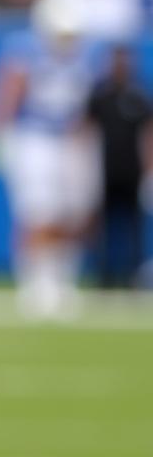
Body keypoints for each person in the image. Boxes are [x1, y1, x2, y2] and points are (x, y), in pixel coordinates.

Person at [0, 0, 104, 317]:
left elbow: (93, 103)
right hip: (34, 136)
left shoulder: (90, 51)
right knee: (37, 210)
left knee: (72, 211)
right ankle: (35, 283)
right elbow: (7, 91)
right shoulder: (25, 48)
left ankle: (62, 279)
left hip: (73, 138)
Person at [86, 45, 153, 288]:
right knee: (102, 227)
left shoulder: (139, 94)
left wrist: (149, 169)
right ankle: (104, 277)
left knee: (134, 227)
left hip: (132, 171)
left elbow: (148, 133)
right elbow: (87, 127)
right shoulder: (100, 93)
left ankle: (134, 276)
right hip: (103, 170)